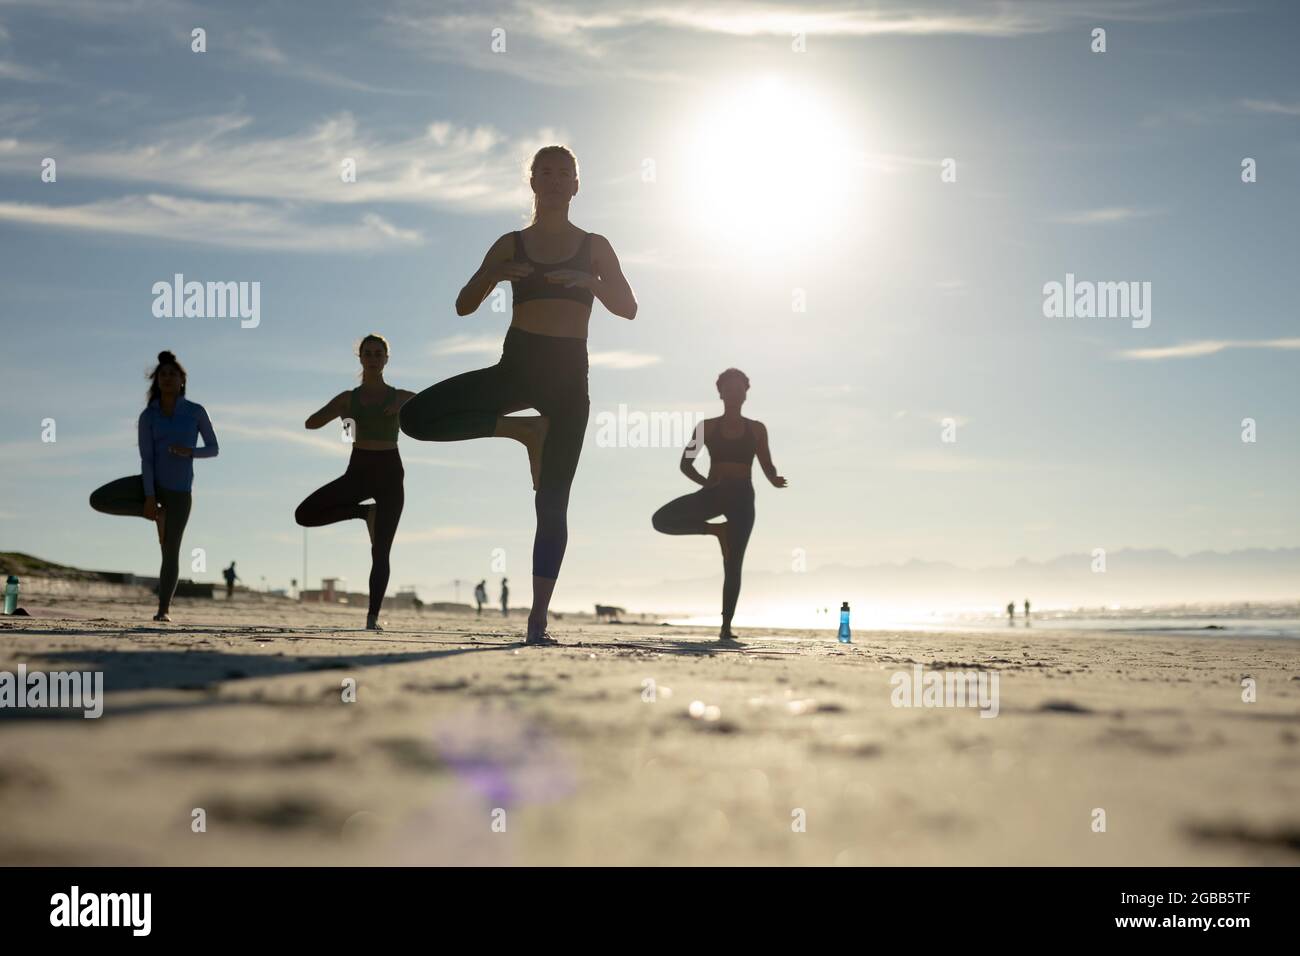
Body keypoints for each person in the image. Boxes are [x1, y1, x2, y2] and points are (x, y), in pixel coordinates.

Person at [399, 145, 637, 645]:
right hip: (518, 367)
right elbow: (464, 306)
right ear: (532, 182)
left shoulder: (595, 247)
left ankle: (537, 621)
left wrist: (589, 282)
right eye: (544, 172)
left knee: (553, 503)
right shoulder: (510, 243)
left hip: (570, 381)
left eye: (563, 173)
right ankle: (521, 429)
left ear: (576, 185)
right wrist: (491, 274)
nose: (553, 180)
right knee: (415, 418)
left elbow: (629, 308)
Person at [651, 369, 786, 643]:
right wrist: (705, 482)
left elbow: (767, 465)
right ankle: (715, 531)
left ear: (746, 393)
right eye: (729, 388)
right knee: (661, 520)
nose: (735, 393)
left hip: (743, 498)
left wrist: (774, 479)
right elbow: (685, 463)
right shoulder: (706, 427)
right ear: (720, 392)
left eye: (739, 389)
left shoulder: (757, 429)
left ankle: (726, 626)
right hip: (714, 493)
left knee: (733, 563)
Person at [294, 334, 415, 631]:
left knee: (381, 551)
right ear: (360, 358)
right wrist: (343, 417)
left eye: (378, 353)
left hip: (390, 473)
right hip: (358, 470)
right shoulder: (348, 398)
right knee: (304, 514)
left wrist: (405, 410)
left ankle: (372, 618)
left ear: (387, 359)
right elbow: (311, 423)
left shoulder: (400, 397)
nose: (373, 358)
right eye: (368, 353)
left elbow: (435, 406)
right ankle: (364, 513)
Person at [89, 350, 219, 622]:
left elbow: (213, 448)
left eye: (173, 374)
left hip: (180, 493)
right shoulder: (149, 416)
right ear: (157, 380)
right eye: (163, 374)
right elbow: (146, 459)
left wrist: (189, 451)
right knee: (98, 499)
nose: (168, 378)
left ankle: (163, 610)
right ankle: (154, 513)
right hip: (151, 484)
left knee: (170, 551)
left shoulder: (195, 412)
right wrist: (148, 498)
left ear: (182, 380)